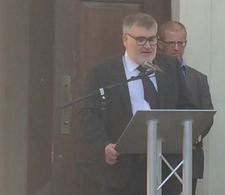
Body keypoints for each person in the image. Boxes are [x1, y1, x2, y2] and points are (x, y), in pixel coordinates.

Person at [79, 12, 194, 195]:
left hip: (164, 167)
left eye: (152, 39)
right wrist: (103, 146)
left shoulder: (170, 66)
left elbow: (187, 106)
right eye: (140, 40)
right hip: (122, 168)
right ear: (125, 39)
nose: (148, 46)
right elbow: (88, 114)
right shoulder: (103, 72)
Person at [157, 20, 214, 194]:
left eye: (181, 43)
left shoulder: (198, 79)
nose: (177, 48)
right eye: (171, 43)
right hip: (157, 156)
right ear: (160, 44)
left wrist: (194, 134)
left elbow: (207, 115)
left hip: (189, 155)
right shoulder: (150, 75)